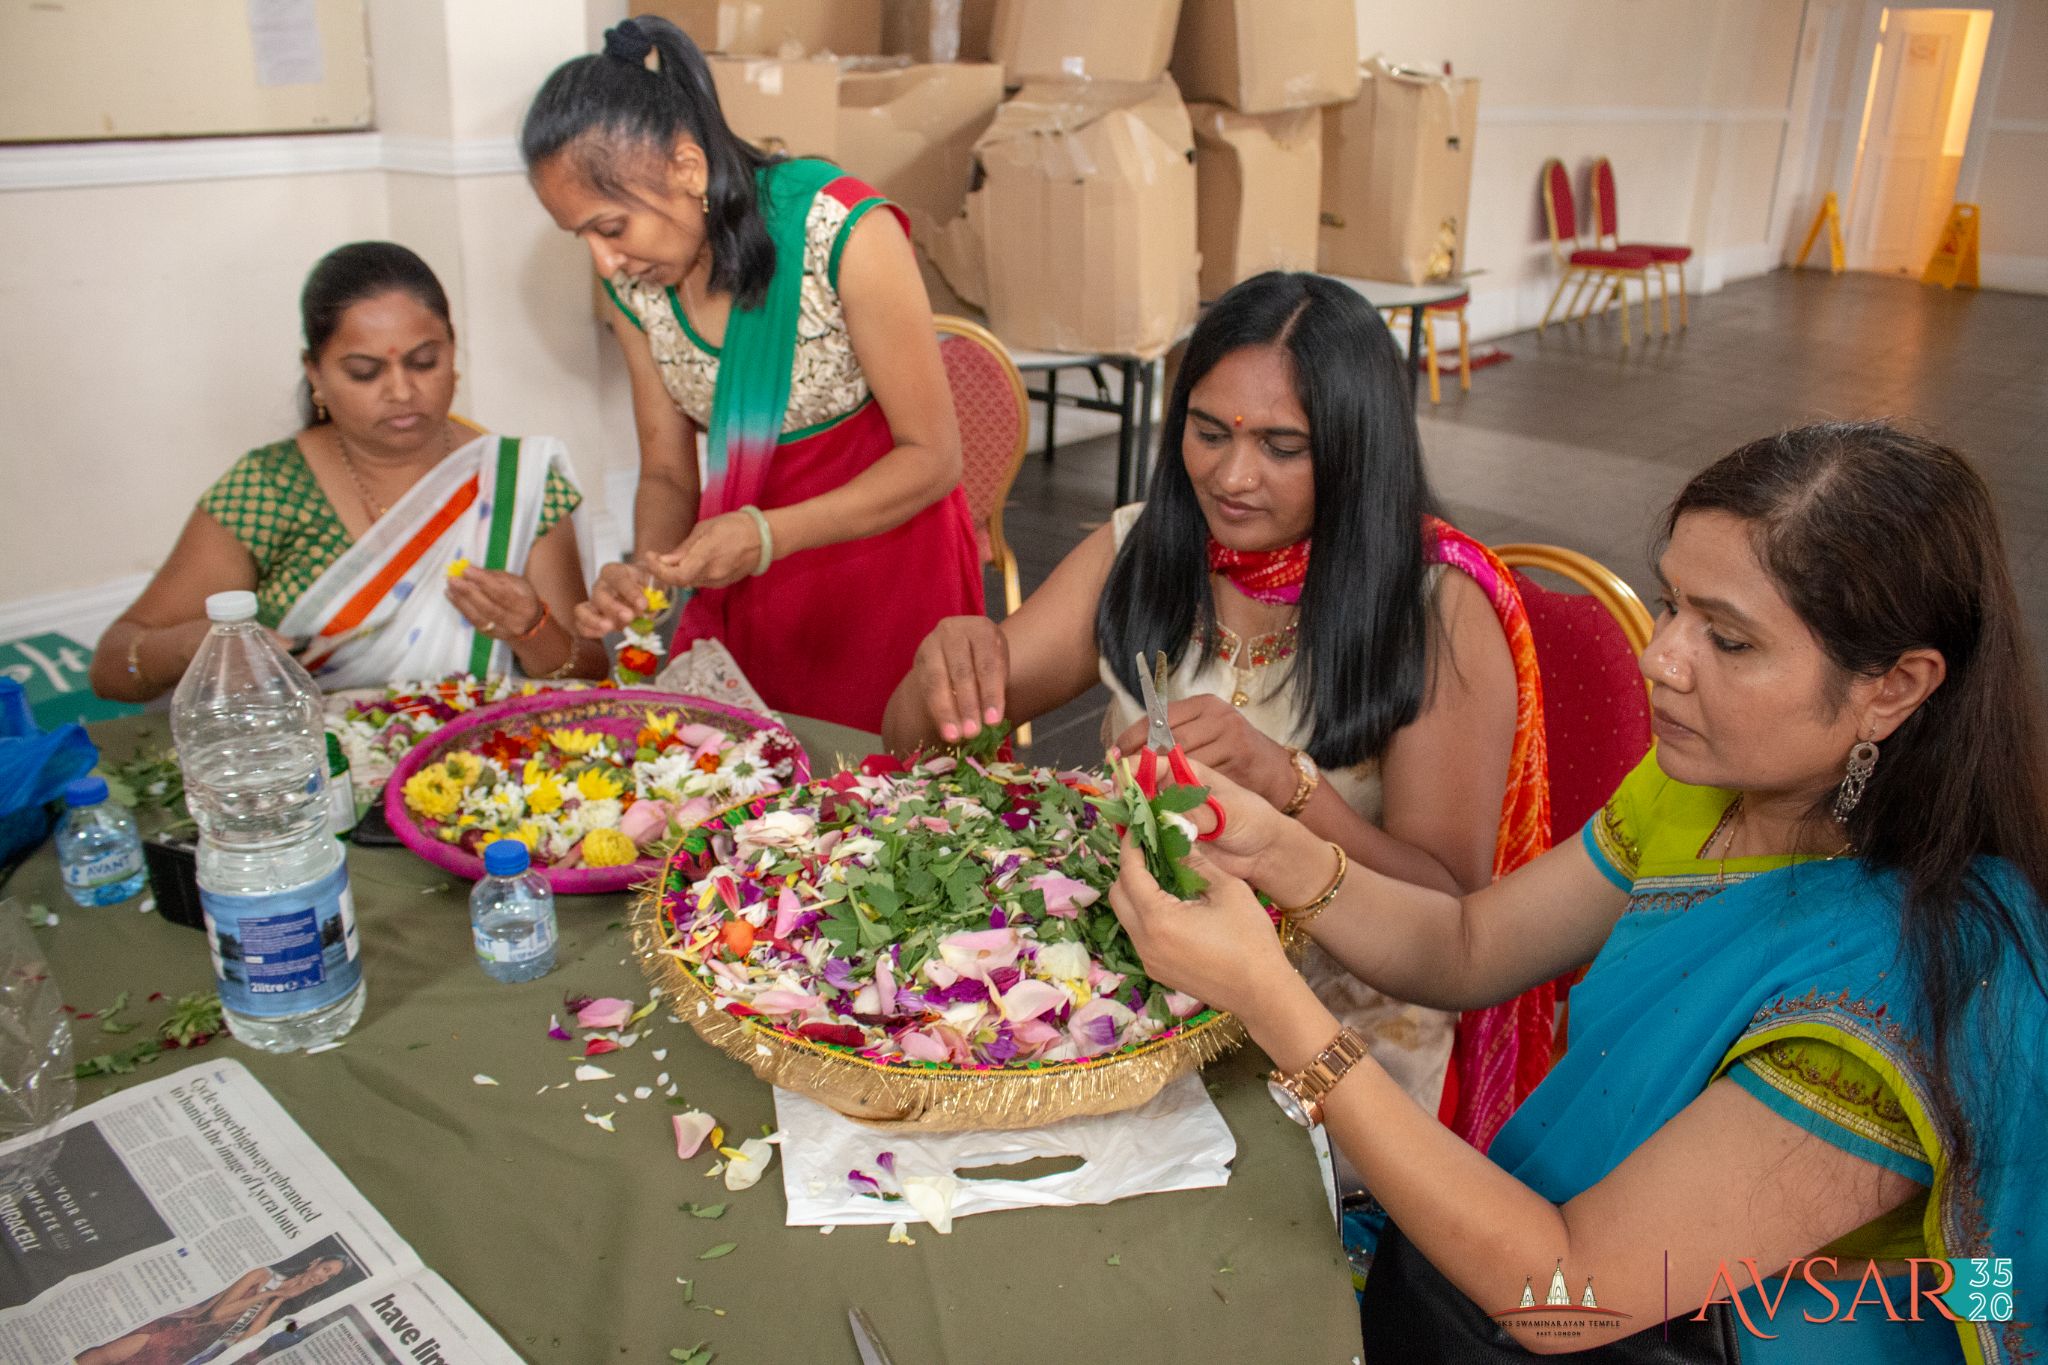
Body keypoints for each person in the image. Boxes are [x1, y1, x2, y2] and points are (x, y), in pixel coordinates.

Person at [1109, 422, 2048, 1363]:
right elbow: (1469, 945)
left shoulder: (1911, 986)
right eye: (1668, 604)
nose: (1660, 658)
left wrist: (1271, 998)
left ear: (1894, 686)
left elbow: (1568, 1298)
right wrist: (1279, 850)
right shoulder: (1702, 789)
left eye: (1727, 639)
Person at [886, 271, 1556, 1156]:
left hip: (1336, 1050)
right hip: (1136, 998)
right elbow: (915, 742)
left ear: (1357, 448)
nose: (1233, 476)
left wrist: (1288, 787)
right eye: (1208, 433)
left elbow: (1450, 913)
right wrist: (941, 670)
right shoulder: (1144, 550)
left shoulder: (1433, 607)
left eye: (1283, 446)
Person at [521, 16, 982, 731]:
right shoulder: (636, 289)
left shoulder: (839, 230)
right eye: (580, 236)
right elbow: (668, 476)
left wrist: (765, 535)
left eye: (610, 227)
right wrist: (644, 572)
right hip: (744, 575)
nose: (604, 261)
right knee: (745, 782)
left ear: (687, 168)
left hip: (884, 568)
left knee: (881, 784)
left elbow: (934, 457)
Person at [89, 243, 604, 700]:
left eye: (424, 362)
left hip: (482, 760)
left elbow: (590, 674)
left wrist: (531, 628)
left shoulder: (517, 482)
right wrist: (197, 646)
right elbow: (112, 667)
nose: (401, 391)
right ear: (314, 373)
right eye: (364, 372)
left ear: (452, 353)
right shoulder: (270, 487)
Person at [76, 1256, 347, 1364]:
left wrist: (277, 1303)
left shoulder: (287, 1308)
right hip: (180, 1331)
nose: (323, 1276)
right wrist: (272, 1293)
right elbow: (218, 1314)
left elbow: (243, 1343)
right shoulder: (262, 1276)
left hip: (193, 1354)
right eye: (325, 1268)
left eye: (330, 1276)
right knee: (106, 1356)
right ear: (314, 1262)